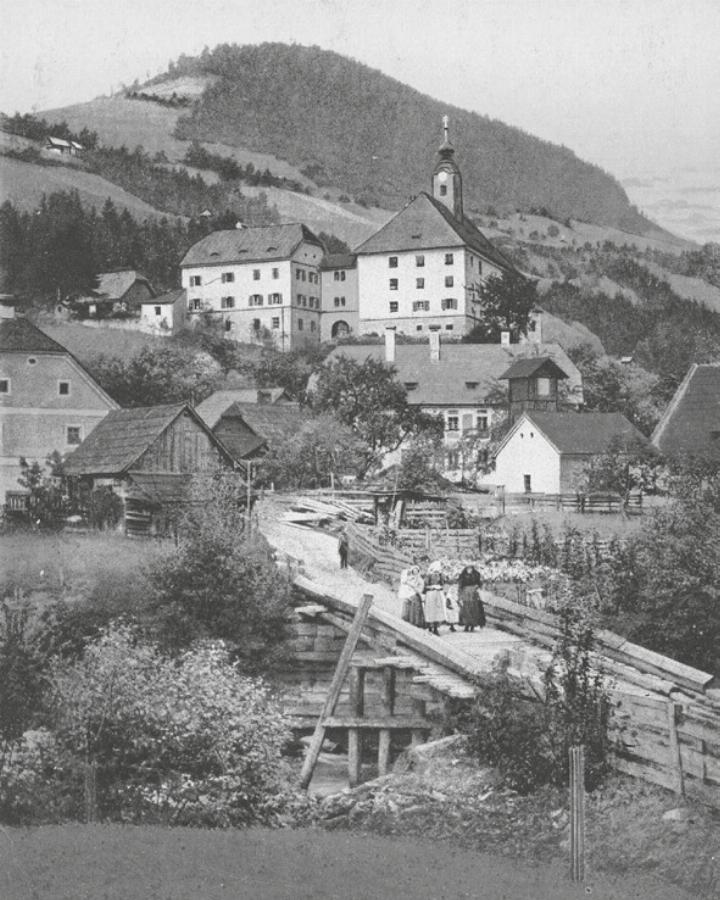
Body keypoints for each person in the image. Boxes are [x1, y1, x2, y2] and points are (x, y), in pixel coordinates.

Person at [457, 564, 486, 632]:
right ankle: (467, 625)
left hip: (473, 594)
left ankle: (472, 625)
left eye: (470, 568)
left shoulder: (476, 575)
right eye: (468, 568)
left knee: (474, 609)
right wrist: (460, 595)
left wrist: (477, 587)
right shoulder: (463, 576)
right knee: (466, 609)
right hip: (466, 593)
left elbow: (479, 583)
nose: (469, 570)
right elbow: (460, 585)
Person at [423, 561, 447, 635]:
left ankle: (436, 628)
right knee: (431, 610)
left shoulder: (440, 575)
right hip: (431, 594)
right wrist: (432, 587)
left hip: (438, 594)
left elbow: (443, 583)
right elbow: (425, 586)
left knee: (438, 610)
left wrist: (441, 585)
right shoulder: (429, 576)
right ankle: (430, 626)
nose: (437, 571)